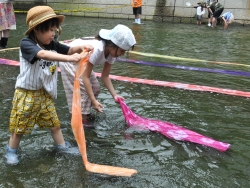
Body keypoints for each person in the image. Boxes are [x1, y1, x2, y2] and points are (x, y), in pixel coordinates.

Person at [5, 6, 93, 165]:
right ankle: (11, 151)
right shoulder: (27, 43)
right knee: (19, 128)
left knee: (55, 124)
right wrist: (70, 59)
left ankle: (61, 146)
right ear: (37, 29)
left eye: (55, 29)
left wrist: (80, 47)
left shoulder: (52, 43)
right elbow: (43, 54)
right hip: (26, 94)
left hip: (45, 95)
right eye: (50, 30)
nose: (53, 33)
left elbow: (69, 50)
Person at [59, 24, 136, 126]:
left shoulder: (112, 53)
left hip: (82, 63)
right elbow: (85, 77)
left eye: (125, 51)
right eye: (122, 50)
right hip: (69, 60)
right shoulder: (97, 49)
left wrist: (115, 95)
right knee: (82, 90)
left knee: (96, 88)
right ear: (112, 44)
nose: (122, 53)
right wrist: (93, 100)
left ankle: (85, 112)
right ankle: (82, 117)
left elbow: (105, 76)